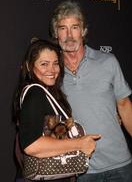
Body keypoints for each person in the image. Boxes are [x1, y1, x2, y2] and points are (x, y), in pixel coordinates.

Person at [50, 0, 132, 182]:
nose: (69, 35)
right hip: (82, 169)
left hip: (120, 164)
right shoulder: (52, 72)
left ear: (84, 31)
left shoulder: (108, 62)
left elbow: (125, 105)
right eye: (63, 28)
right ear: (56, 33)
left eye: (75, 27)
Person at [13, 39, 100, 182]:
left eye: (55, 64)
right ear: (29, 67)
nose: (52, 70)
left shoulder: (49, 93)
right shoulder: (35, 93)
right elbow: (31, 145)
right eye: (44, 64)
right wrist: (79, 144)